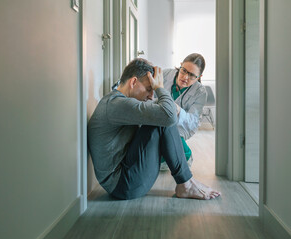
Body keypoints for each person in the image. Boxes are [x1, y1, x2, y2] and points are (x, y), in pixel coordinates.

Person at [87, 58, 220, 200]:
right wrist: (159, 88)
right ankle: (186, 184)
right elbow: (168, 115)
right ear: (133, 82)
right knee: (163, 118)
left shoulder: (117, 100)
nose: (151, 95)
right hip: (123, 185)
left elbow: (165, 111)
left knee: (161, 114)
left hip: (124, 177)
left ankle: (187, 181)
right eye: (149, 89)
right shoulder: (118, 104)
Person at [160, 53, 207, 170]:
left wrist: (177, 110)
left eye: (192, 76)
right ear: (180, 65)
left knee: (169, 133)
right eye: (184, 71)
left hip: (182, 125)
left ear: (199, 76)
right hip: (159, 117)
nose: (185, 77)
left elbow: (193, 121)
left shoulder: (200, 92)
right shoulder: (166, 74)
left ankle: (186, 156)